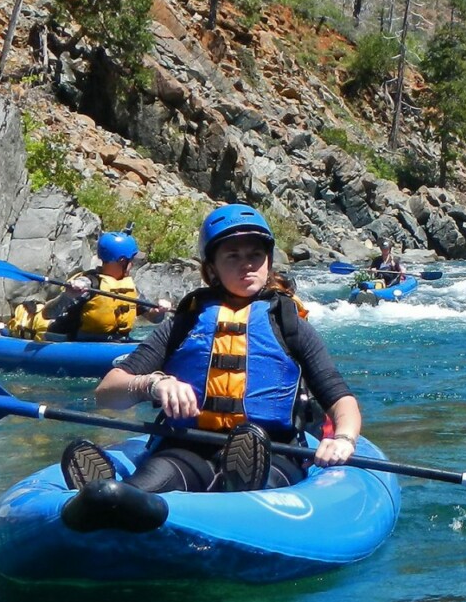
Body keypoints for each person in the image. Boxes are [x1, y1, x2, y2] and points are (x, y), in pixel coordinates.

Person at [58, 203, 366, 532]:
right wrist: (154, 384)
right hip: (188, 445)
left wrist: (343, 438)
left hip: (273, 451)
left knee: (260, 474)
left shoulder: (288, 323)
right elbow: (107, 391)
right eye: (233, 256)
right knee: (148, 482)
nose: (247, 264)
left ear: (268, 261)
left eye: (256, 255)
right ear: (212, 268)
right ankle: (106, 496)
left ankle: (235, 490)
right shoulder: (186, 323)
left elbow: (340, 399)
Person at [8, 230, 168, 340]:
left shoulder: (128, 288)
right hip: (73, 341)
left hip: (113, 341)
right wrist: (68, 295)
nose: (132, 264)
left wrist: (159, 311)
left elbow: (155, 319)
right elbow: (48, 314)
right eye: (131, 260)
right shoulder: (88, 284)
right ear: (122, 261)